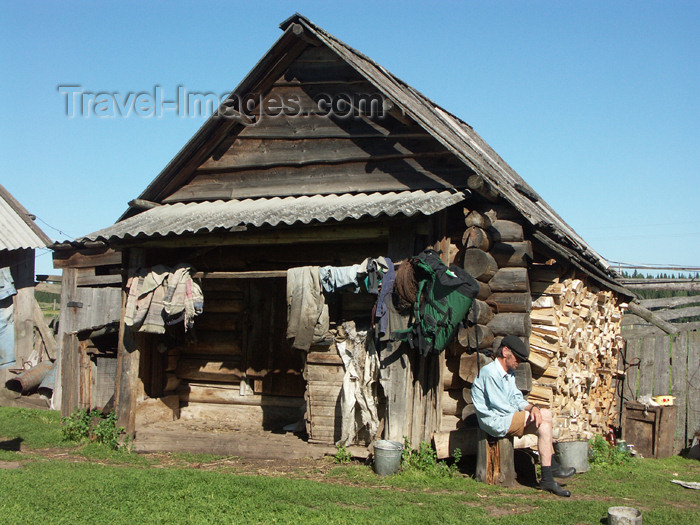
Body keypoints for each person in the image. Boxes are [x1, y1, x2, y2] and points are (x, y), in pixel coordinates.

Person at [471, 335, 574, 497]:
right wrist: (526, 414)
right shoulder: (490, 373)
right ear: (505, 351)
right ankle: (549, 471)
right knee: (541, 421)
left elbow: (516, 398)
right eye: (517, 357)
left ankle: (549, 471)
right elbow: (501, 407)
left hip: (506, 417)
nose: (518, 362)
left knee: (544, 414)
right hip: (494, 421)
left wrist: (531, 407)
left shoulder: (509, 373)